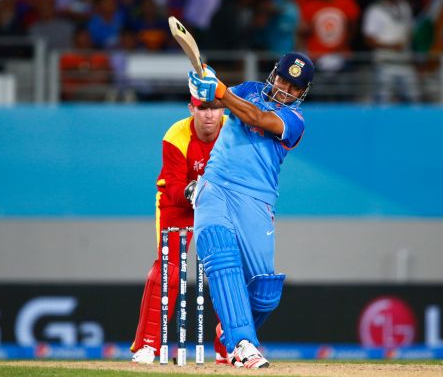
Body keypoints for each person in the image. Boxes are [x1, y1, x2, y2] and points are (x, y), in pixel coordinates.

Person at [186, 52, 314, 368]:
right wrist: (203, 88)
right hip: (215, 186)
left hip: (256, 202)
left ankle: (228, 331)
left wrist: (221, 92)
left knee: (265, 292)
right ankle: (244, 345)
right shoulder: (249, 89)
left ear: (302, 92)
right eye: (283, 78)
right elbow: (216, 105)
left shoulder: (295, 122)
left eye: (294, 86)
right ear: (274, 74)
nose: (285, 88)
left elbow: (256, 119)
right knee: (221, 255)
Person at [131, 97, 226, 365]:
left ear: (224, 109)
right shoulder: (176, 134)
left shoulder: (232, 131)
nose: (209, 115)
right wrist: (193, 191)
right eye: (203, 108)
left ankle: (229, 347)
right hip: (178, 203)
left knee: (227, 269)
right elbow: (172, 186)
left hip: (217, 203)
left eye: (215, 108)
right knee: (169, 270)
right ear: (191, 109)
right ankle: (148, 345)